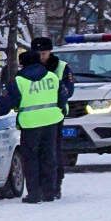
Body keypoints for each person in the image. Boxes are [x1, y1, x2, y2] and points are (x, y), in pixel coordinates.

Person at [0, 46, 72, 202]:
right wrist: (60, 112)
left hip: (30, 125)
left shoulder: (19, 80)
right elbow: (63, 97)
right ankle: (49, 192)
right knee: (49, 156)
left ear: (22, 64)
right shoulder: (52, 77)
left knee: (31, 159)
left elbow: (6, 103)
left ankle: (34, 194)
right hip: (52, 122)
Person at [31, 36, 74, 196]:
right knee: (38, 153)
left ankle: (55, 185)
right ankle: (41, 186)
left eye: (44, 52)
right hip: (34, 116)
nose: (41, 56)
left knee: (53, 152)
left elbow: (68, 90)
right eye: (38, 53)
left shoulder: (61, 67)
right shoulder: (30, 68)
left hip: (55, 116)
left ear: (50, 51)